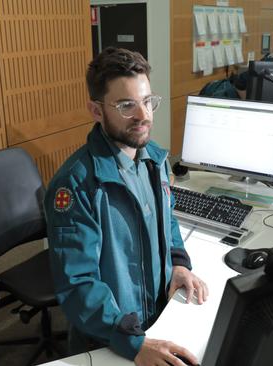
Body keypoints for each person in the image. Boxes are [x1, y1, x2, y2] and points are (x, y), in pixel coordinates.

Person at [44, 47, 209, 366]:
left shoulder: (155, 159)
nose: (144, 115)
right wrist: (133, 342)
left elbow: (167, 218)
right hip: (109, 338)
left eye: (148, 101)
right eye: (126, 105)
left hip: (157, 319)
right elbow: (79, 286)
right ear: (95, 110)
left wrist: (177, 263)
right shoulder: (76, 185)